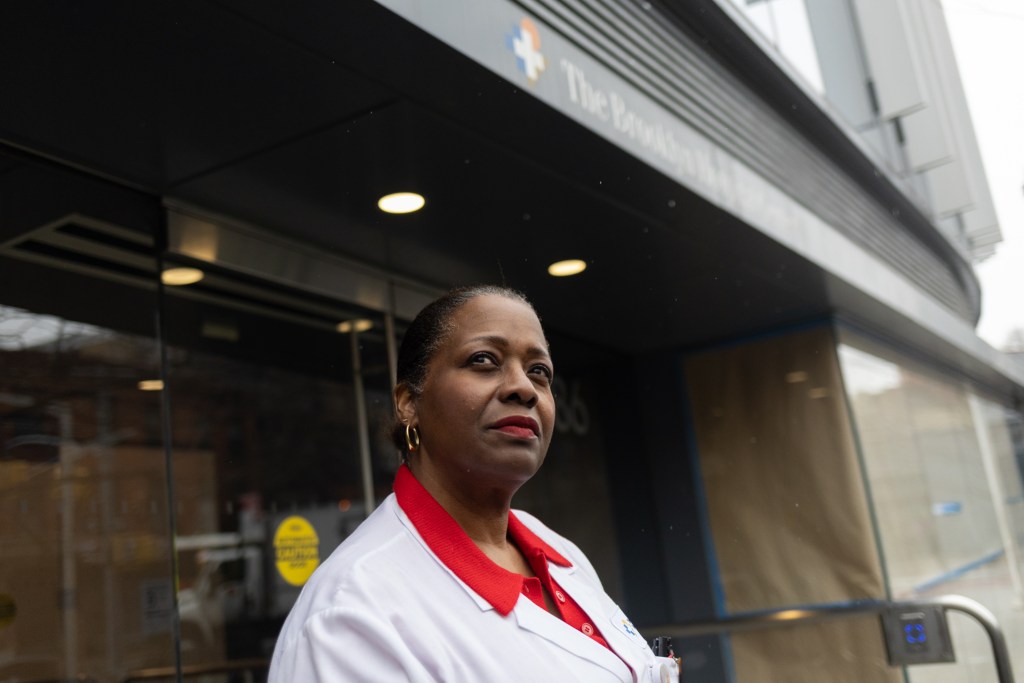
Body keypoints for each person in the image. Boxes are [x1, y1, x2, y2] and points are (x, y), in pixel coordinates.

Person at [268, 286, 679, 682]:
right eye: (484, 360)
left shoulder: (559, 554)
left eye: (539, 371)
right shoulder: (354, 616)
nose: (523, 388)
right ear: (409, 402)